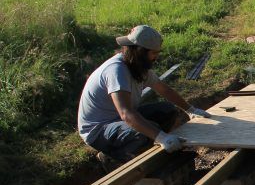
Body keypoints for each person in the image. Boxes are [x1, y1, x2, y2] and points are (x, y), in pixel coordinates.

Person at [77, 25, 211, 166]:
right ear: (140, 51)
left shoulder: (137, 66)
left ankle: (154, 150)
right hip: (98, 130)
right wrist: (161, 137)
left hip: (118, 121)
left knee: (168, 111)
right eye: (153, 53)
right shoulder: (117, 71)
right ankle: (114, 157)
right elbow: (126, 114)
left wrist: (191, 110)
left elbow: (164, 90)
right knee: (143, 132)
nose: (156, 58)